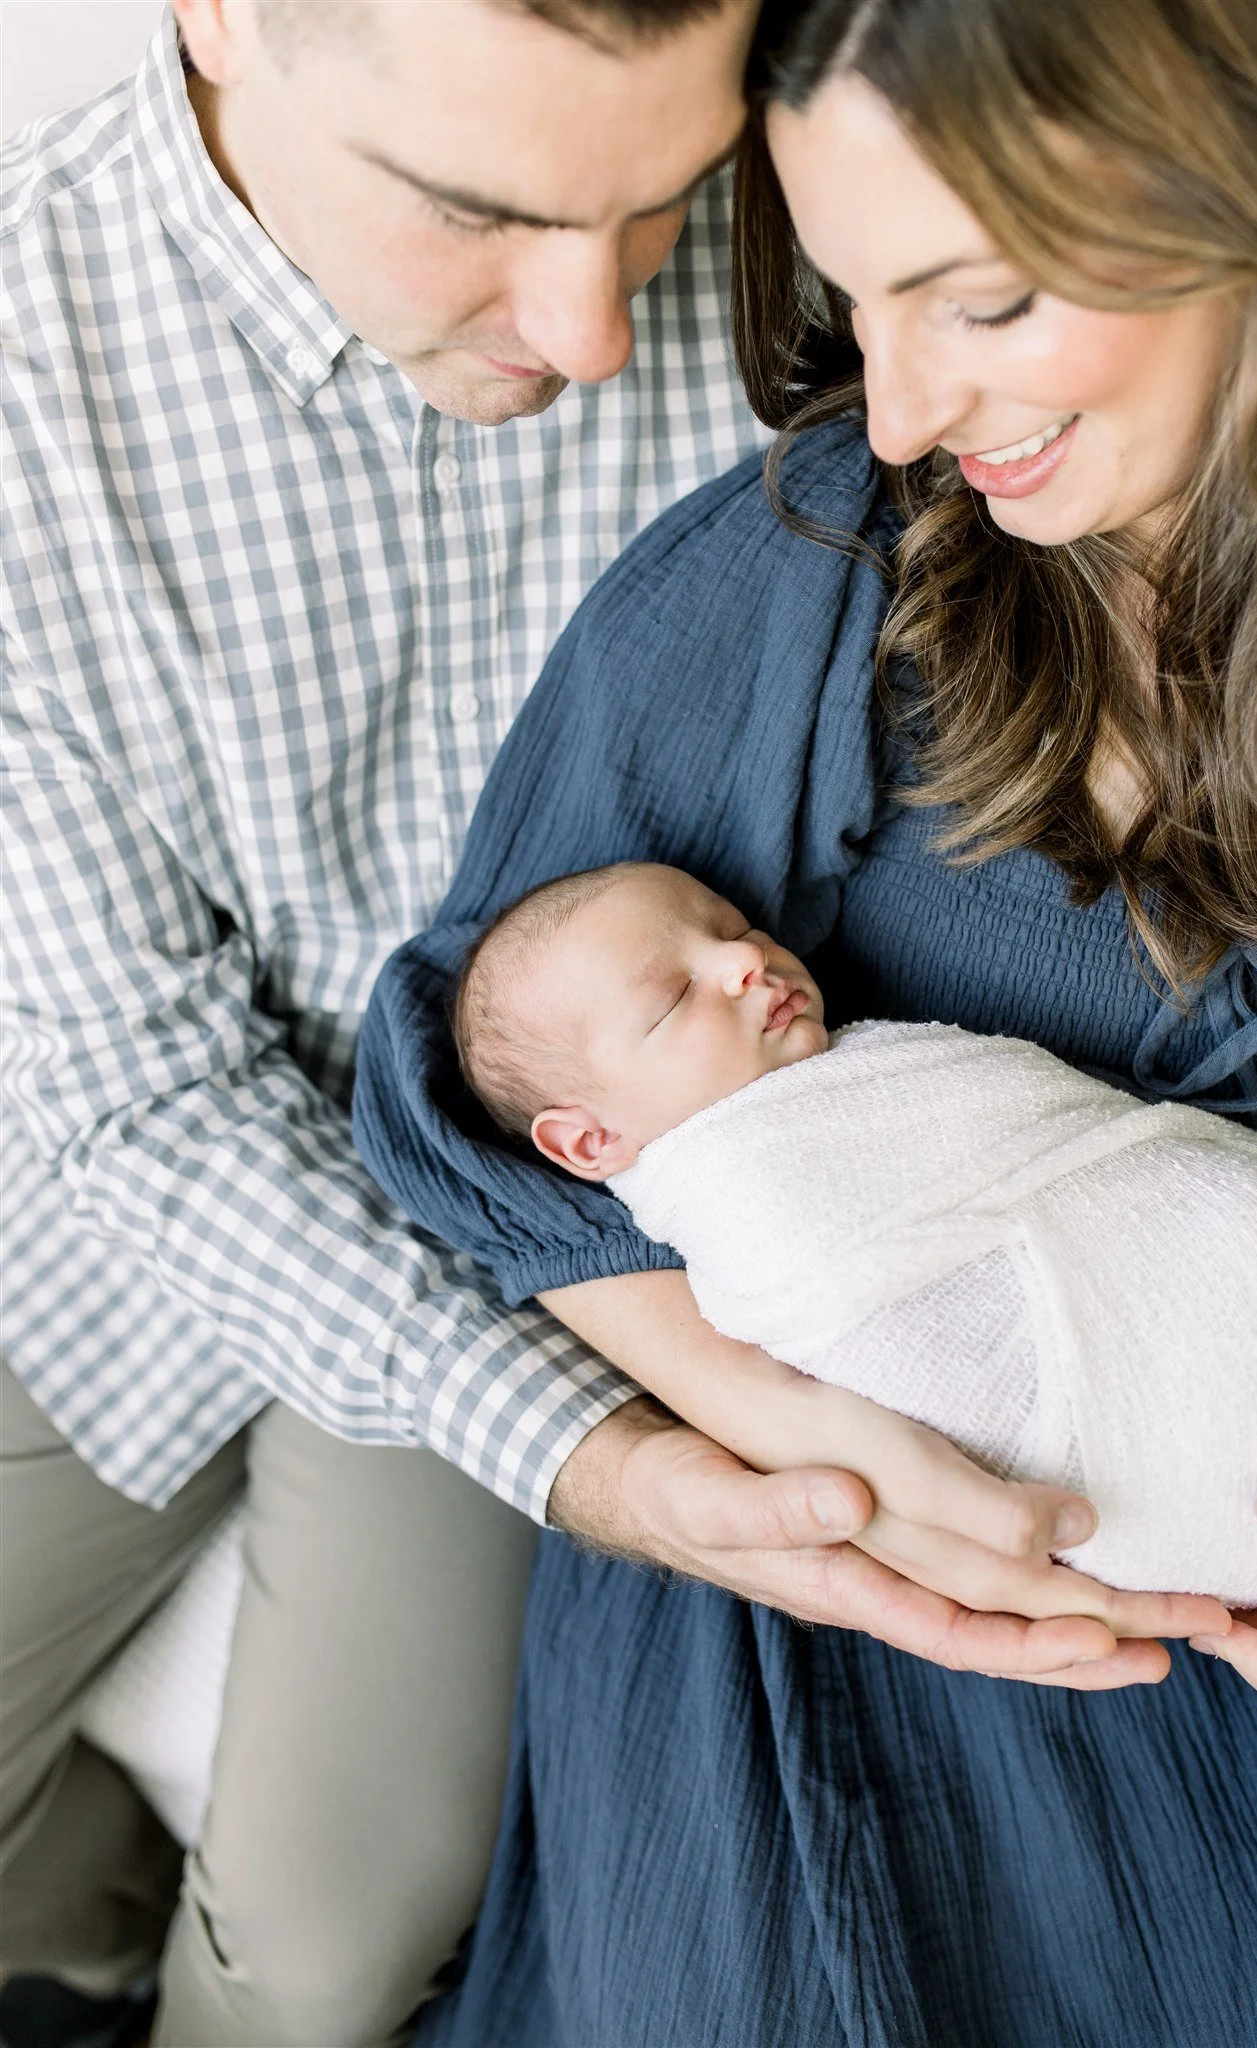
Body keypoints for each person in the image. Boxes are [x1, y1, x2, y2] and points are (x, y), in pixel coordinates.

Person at [352, 0, 1257, 2039]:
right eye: (856, 301)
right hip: (832, 1701)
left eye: (975, 302)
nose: (897, 408)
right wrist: (800, 1440)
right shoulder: (823, 571)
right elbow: (477, 1111)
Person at [0, 0, 789, 2040]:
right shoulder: (24, 372)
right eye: (477, 209)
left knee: (319, 1955)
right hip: (138, 1154)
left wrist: (582, 1431)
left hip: (563, 1186)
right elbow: (131, 1091)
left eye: (658, 208)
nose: (600, 329)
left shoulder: (824, 185)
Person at [448, 857, 1257, 1605]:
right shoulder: (747, 1200)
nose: (740, 964)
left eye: (733, 930)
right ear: (590, 1141)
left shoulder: (858, 1075)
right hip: (1134, 1464)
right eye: (672, 1000)